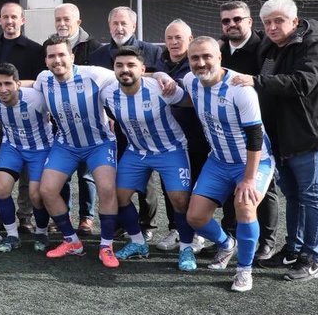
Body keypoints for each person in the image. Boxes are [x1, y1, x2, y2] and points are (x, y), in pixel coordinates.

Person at [229, 0, 318, 283]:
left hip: (307, 135)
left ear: (295, 20)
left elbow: (302, 83)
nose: (273, 27)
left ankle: (311, 258)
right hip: (279, 136)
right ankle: (292, 249)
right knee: (293, 195)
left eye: (279, 21)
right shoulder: (268, 45)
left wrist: (256, 81)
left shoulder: (314, 46)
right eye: (268, 22)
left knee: (312, 197)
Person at [169, 37, 275, 293]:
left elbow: (255, 137)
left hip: (253, 161)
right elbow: (190, 99)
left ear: (219, 57)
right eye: (195, 58)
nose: (201, 62)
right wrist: (159, 78)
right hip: (218, 160)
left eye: (207, 56)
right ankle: (227, 243)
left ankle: (244, 270)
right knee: (195, 217)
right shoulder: (191, 81)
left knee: (245, 206)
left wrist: (248, 179)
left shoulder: (240, 88)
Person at [33, 36, 120, 268]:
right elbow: (27, 86)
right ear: (46, 60)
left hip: (99, 144)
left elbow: (127, 76)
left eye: (62, 55)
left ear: (72, 57)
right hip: (66, 145)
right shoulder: (43, 79)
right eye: (52, 56)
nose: (57, 60)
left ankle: (106, 245)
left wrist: (161, 76)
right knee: (47, 190)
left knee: (107, 188)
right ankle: (71, 241)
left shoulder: (94, 74)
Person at [101, 47, 193, 264]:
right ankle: (138, 242)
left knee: (180, 200)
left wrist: (161, 75)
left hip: (171, 149)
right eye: (119, 65)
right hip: (136, 151)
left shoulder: (160, 88)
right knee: (119, 196)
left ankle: (186, 248)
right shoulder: (108, 91)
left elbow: (191, 101)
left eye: (131, 65)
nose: (125, 70)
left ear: (142, 69)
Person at [217, 1, 280, 260]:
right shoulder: (220, 50)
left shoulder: (264, 49)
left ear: (250, 21)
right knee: (234, 183)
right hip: (228, 130)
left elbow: (268, 85)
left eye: (237, 19)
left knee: (264, 187)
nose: (232, 24)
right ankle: (229, 234)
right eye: (226, 21)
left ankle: (267, 240)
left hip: (261, 127)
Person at [0, 2, 46, 232]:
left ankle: (25, 216)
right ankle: (3, 215)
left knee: (29, 174)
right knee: (4, 170)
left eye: (14, 17)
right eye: (5, 17)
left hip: (29, 118)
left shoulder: (35, 49)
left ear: (22, 20)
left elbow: (41, 82)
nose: (10, 22)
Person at [151, 20, 211, 255]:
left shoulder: (197, 62)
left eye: (179, 38)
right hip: (168, 139)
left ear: (190, 38)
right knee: (172, 186)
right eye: (169, 38)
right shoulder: (160, 60)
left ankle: (198, 232)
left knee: (198, 186)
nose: (174, 42)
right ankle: (176, 228)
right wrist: (157, 73)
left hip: (196, 136)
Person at [0, 63, 53, 252]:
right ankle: (12, 235)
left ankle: (42, 232)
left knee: (36, 194)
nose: (3, 89)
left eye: (8, 84)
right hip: (12, 147)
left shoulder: (36, 99)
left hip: (40, 148)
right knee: (0, 186)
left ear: (18, 84)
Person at [53, 2, 105, 234]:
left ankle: (86, 217)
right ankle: (61, 215)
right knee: (62, 174)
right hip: (61, 120)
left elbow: (107, 83)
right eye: (58, 20)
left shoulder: (95, 47)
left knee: (86, 174)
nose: (62, 24)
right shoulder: (50, 44)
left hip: (90, 122)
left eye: (67, 19)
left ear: (78, 22)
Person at [88, 6, 164, 71]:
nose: (119, 28)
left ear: (134, 27)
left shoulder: (153, 53)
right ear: (109, 26)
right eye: (115, 23)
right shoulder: (96, 56)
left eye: (123, 23)